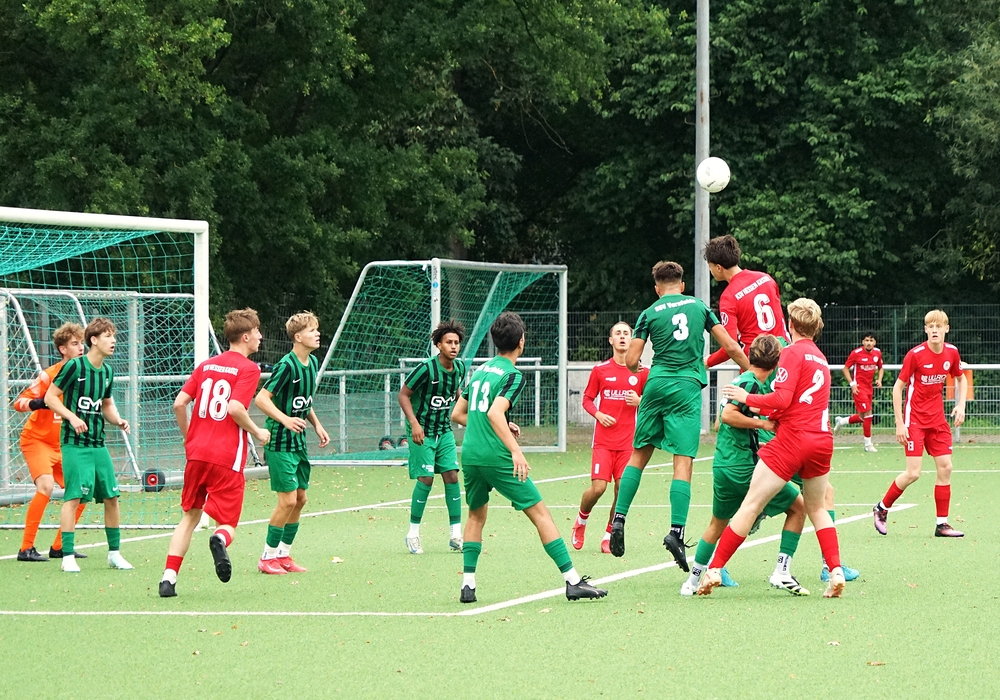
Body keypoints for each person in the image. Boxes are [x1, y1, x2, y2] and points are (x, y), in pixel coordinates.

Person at [451, 312, 606, 603]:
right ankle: (572, 581)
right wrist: (516, 450)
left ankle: (468, 585)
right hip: (496, 457)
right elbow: (494, 412)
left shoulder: (482, 370)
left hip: (470, 456)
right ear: (521, 341)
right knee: (541, 514)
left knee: (475, 516)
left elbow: (458, 414)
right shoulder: (512, 374)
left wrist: (498, 424)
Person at [699, 299, 846, 598]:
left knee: (751, 504)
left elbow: (781, 400)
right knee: (817, 508)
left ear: (791, 324)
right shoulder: (821, 358)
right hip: (822, 440)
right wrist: (770, 412)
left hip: (794, 440)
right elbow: (798, 404)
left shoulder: (790, 353)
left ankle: (714, 568)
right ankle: (835, 571)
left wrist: (747, 398)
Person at [608, 261, 749, 569]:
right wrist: (752, 371)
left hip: (656, 384)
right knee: (682, 463)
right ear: (682, 285)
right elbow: (730, 345)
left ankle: (618, 519)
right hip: (686, 387)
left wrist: (639, 364)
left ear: (657, 289)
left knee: (638, 455)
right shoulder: (699, 307)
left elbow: (631, 362)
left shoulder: (649, 312)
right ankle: (676, 531)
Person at [681, 335, 809, 596]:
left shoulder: (743, 382)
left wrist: (756, 427)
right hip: (744, 467)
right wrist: (762, 424)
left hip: (723, 465)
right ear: (777, 362)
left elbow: (720, 423)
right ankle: (782, 570)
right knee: (798, 508)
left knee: (716, 524)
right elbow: (728, 416)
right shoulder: (750, 384)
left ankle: (691, 582)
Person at [159, 308, 269, 597]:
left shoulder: (206, 366)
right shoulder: (249, 369)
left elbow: (179, 403)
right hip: (225, 456)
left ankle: (168, 579)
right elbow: (234, 408)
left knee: (190, 516)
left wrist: (189, 438)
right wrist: (257, 432)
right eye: (256, 331)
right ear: (245, 337)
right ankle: (219, 539)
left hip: (196, 454)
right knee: (228, 523)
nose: (260, 336)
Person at [43, 317, 133, 573]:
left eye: (114, 336)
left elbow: (106, 404)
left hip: (98, 444)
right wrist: (71, 417)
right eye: (107, 336)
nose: (113, 341)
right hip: (74, 444)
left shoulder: (107, 372)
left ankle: (114, 554)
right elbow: (50, 397)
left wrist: (117, 420)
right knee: (73, 497)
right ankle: (67, 555)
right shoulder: (74, 366)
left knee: (112, 496)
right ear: (93, 340)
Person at [872, 310, 966, 538]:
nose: (934, 330)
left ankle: (942, 524)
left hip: (938, 420)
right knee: (913, 473)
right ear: (925, 330)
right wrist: (900, 423)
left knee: (946, 467)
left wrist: (961, 405)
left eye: (938, 326)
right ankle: (881, 508)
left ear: (946, 329)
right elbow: (898, 388)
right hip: (914, 420)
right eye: (930, 326)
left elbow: (961, 377)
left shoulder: (952, 352)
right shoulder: (915, 355)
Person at [254, 312, 330, 575]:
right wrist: (285, 419)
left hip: (298, 442)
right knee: (287, 501)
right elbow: (261, 399)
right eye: (312, 330)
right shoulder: (286, 365)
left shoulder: (312, 362)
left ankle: (283, 555)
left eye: (317, 329)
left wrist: (316, 424)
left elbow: (304, 401)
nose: (317, 334)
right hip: (279, 442)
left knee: (300, 499)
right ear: (298, 337)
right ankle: (266, 557)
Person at [14, 323, 87, 561]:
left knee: (82, 491)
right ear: (62, 349)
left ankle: (59, 547)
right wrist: (39, 403)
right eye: (75, 344)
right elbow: (19, 402)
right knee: (45, 486)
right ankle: (26, 548)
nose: (80, 348)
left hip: (63, 445)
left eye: (82, 343)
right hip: (36, 441)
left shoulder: (87, 374)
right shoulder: (49, 375)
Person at [572, 322, 647, 553]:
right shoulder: (600, 370)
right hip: (603, 442)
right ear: (611, 340)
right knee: (598, 488)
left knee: (621, 489)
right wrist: (598, 414)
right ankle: (581, 521)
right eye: (618, 333)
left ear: (632, 340)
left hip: (628, 443)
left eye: (626, 333)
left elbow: (653, 403)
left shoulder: (643, 373)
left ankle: (608, 534)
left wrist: (640, 401)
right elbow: (587, 399)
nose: (622, 337)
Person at [398, 320, 468, 555]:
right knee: (426, 479)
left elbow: (456, 393)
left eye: (456, 342)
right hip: (422, 431)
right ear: (439, 345)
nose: (454, 346)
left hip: (444, 430)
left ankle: (456, 535)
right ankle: (413, 534)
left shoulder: (460, 368)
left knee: (452, 475)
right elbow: (403, 395)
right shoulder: (426, 369)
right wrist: (414, 424)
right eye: (449, 342)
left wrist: (465, 410)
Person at [703, 235, 790, 368]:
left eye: (710, 267)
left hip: (758, 362)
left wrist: (707, 362)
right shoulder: (766, 279)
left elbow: (730, 347)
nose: (710, 271)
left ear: (719, 267)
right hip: (784, 355)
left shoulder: (728, 297)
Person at [834, 332, 884, 452]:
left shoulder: (877, 353)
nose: (869, 343)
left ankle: (841, 421)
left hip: (869, 388)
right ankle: (868, 445)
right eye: (866, 340)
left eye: (871, 341)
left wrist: (879, 379)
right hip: (859, 389)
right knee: (868, 414)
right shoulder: (856, 353)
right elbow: (845, 368)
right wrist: (852, 384)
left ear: (875, 342)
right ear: (862, 342)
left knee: (863, 417)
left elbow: (881, 367)